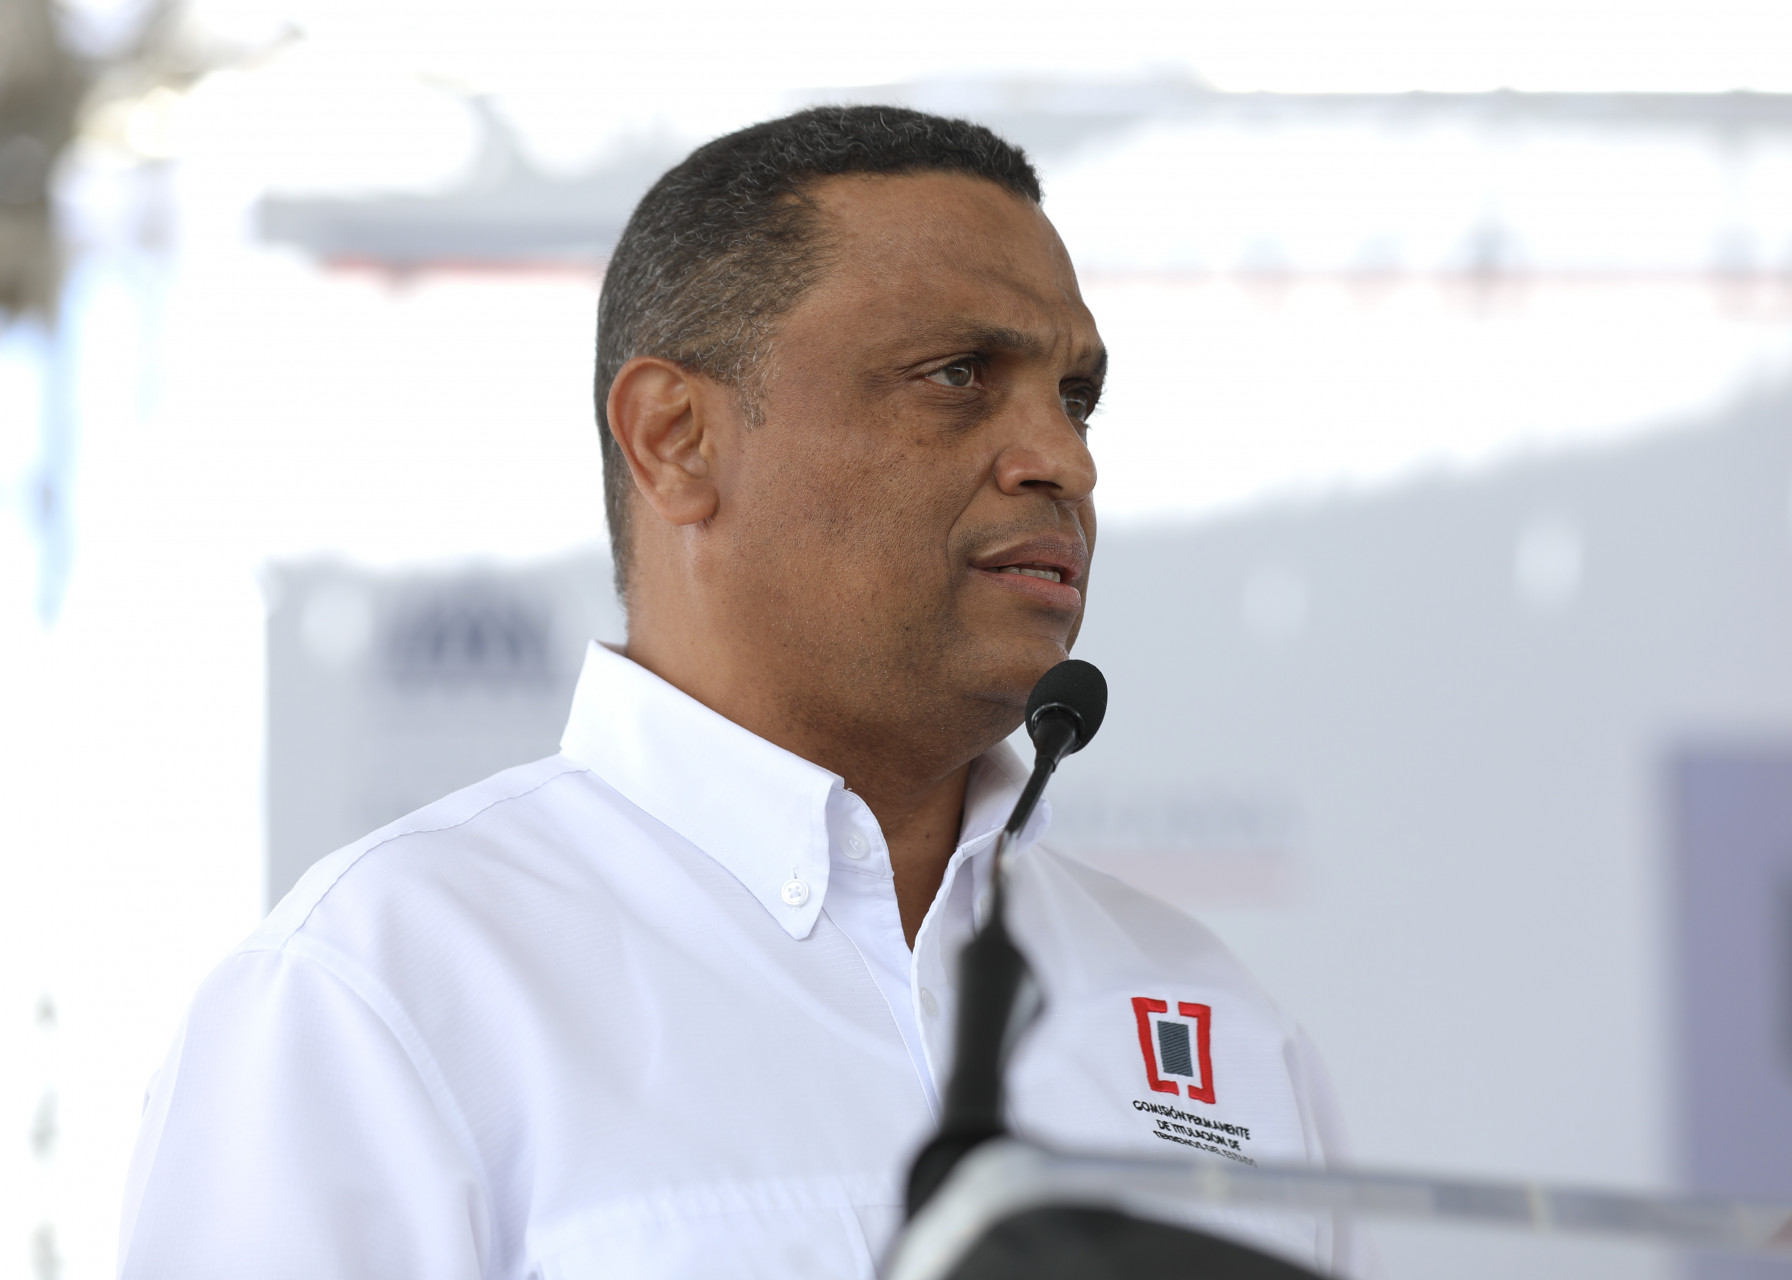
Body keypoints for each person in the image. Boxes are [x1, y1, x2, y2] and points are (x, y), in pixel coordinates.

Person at [118, 105, 1353, 1279]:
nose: (1065, 459)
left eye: (1076, 397)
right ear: (675, 437)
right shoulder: (377, 992)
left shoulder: (1212, 1014)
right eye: (958, 375)